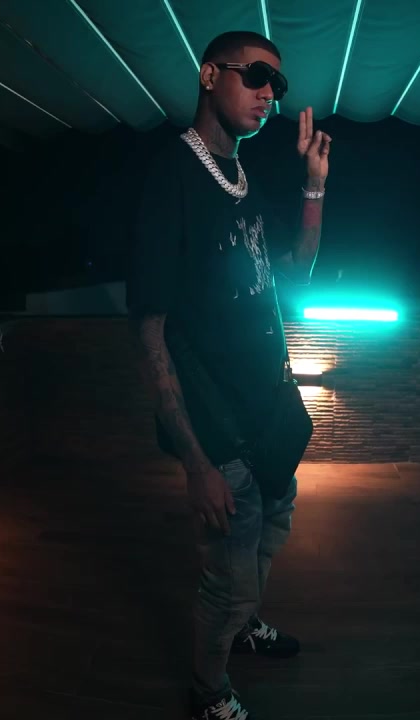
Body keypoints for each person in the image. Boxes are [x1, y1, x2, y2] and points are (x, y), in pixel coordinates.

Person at [126, 30, 332, 720]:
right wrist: (195, 461)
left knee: (273, 531)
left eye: (279, 84)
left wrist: (313, 185)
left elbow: (296, 273)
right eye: (257, 75)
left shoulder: (242, 180)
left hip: (269, 412)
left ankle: (244, 626)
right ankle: (207, 691)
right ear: (210, 75)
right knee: (228, 576)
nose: (271, 93)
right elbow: (149, 330)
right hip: (220, 429)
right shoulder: (171, 177)